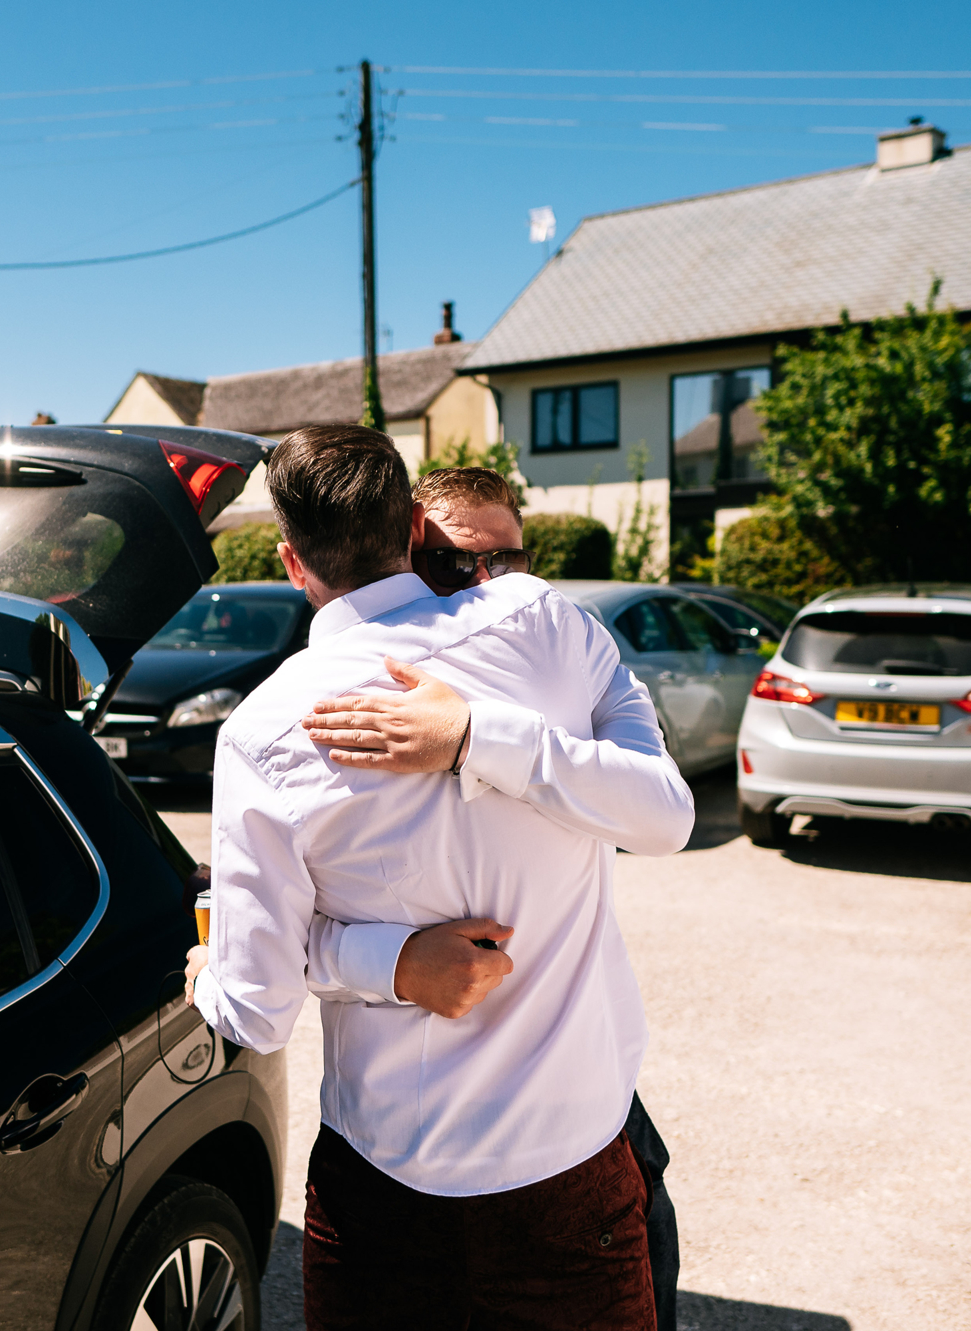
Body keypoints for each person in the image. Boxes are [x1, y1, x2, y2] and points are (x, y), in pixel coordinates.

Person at [184, 427, 693, 1330]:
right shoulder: (548, 625)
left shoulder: (261, 731)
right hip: (569, 1169)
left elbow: (256, 1011)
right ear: (415, 524)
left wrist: (472, 739)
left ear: (289, 560)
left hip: (383, 1181)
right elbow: (667, 816)